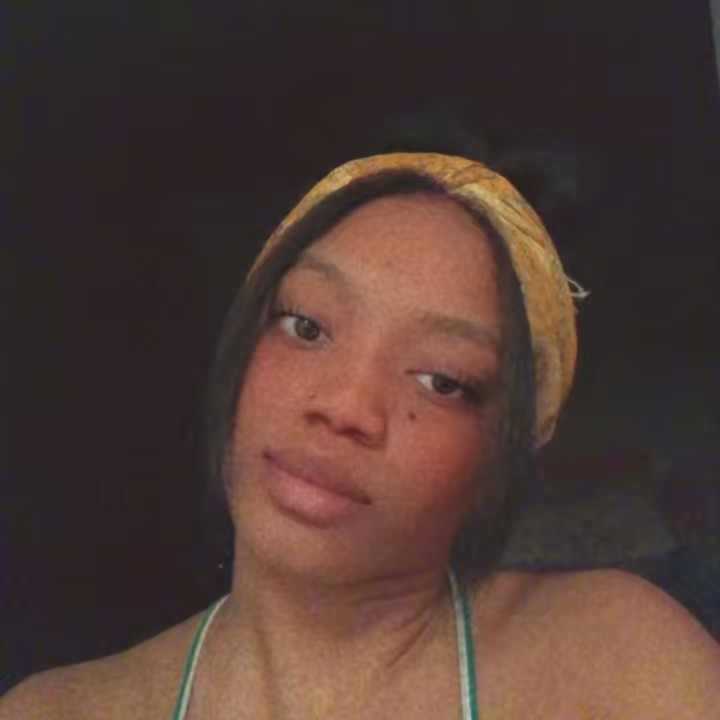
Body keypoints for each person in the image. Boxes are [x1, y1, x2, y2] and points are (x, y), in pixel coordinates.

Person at [2, 152, 719, 719]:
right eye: (306, 326)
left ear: (497, 462)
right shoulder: (52, 711)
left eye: (441, 380)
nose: (346, 406)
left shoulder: (620, 661)